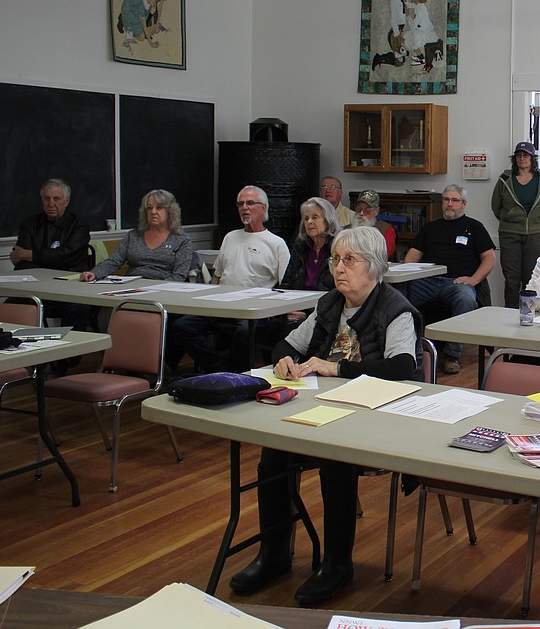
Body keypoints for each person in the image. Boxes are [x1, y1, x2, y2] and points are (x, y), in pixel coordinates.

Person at [228, 226, 423, 607]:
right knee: (273, 455)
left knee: (336, 459)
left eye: (349, 260)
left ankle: (337, 563)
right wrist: (283, 359)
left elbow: (402, 366)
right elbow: (290, 342)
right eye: (336, 259)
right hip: (325, 406)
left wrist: (337, 370)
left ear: (375, 266)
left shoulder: (395, 308)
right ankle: (275, 554)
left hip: (376, 413)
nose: (339, 268)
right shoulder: (330, 303)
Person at [167, 186, 290, 373]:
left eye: (250, 203)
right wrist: (204, 299)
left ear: (263, 208)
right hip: (221, 305)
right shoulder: (230, 237)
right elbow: (217, 276)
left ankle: (238, 373)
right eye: (240, 204)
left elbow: (285, 285)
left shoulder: (276, 243)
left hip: (253, 310)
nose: (244, 208)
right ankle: (220, 368)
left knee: (243, 332)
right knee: (182, 326)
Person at [404, 184, 496, 375]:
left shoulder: (474, 227)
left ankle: (452, 355)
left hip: (456, 283)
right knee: (397, 296)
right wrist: (408, 273)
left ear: (463, 204)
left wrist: (474, 279)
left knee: (467, 299)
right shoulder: (430, 228)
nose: (449, 204)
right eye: (446, 200)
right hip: (426, 280)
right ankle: (407, 348)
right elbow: (412, 255)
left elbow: (489, 258)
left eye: (454, 200)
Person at [11, 178, 92, 331]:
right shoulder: (29, 224)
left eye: (56, 199)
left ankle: (70, 354)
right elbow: (21, 262)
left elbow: (68, 256)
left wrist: (31, 255)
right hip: (36, 288)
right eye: (46, 199)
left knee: (79, 309)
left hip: (69, 290)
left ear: (66, 201)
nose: (51, 204)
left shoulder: (79, 225)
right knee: (11, 304)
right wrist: (53, 257)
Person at [265, 197, 341, 345]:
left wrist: (307, 315)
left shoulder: (338, 247)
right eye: (306, 218)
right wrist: (285, 311)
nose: (309, 222)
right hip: (295, 309)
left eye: (315, 217)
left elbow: (338, 293)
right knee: (268, 329)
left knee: (289, 333)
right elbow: (286, 284)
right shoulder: (301, 246)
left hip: (325, 313)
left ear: (328, 220)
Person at [491, 141, 540, 308]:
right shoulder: (505, 179)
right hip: (509, 233)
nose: (522, 159)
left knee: (531, 278)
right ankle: (509, 314)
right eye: (518, 155)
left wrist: (533, 221)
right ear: (514, 159)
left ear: (532, 159)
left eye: (525, 155)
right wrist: (511, 218)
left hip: (535, 234)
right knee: (511, 279)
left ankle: (529, 313)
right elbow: (496, 207)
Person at [80, 189, 191, 282]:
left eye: (159, 208)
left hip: (162, 289)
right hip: (131, 286)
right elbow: (114, 261)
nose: (153, 212)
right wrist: (94, 273)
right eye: (149, 208)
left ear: (170, 212)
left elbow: (179, 276)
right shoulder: (133, 236)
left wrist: (155, 289)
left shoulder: (181, 240)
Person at [352, 190, 396, 260]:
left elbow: (383, 256)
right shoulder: (346, 229)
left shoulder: (385, 229)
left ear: (376, 211)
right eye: (359, 209)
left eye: (367, 210)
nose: (361, 213)